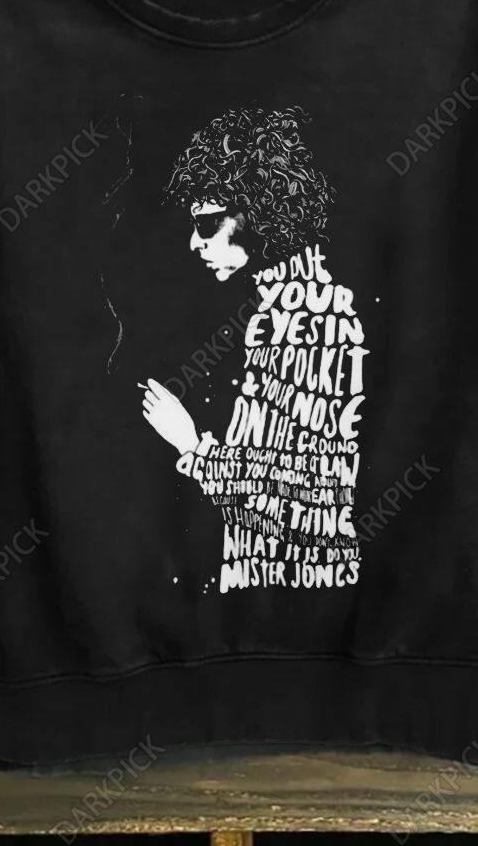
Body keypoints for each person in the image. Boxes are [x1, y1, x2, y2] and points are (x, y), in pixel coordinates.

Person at [141, 106, 369, 593]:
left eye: (208, 223)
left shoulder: (312, 317)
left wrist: (189, 444)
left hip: (303, 592)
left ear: (260, 210)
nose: (194, 243)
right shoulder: (285, 309)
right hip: (283, 588)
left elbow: (304, 498)